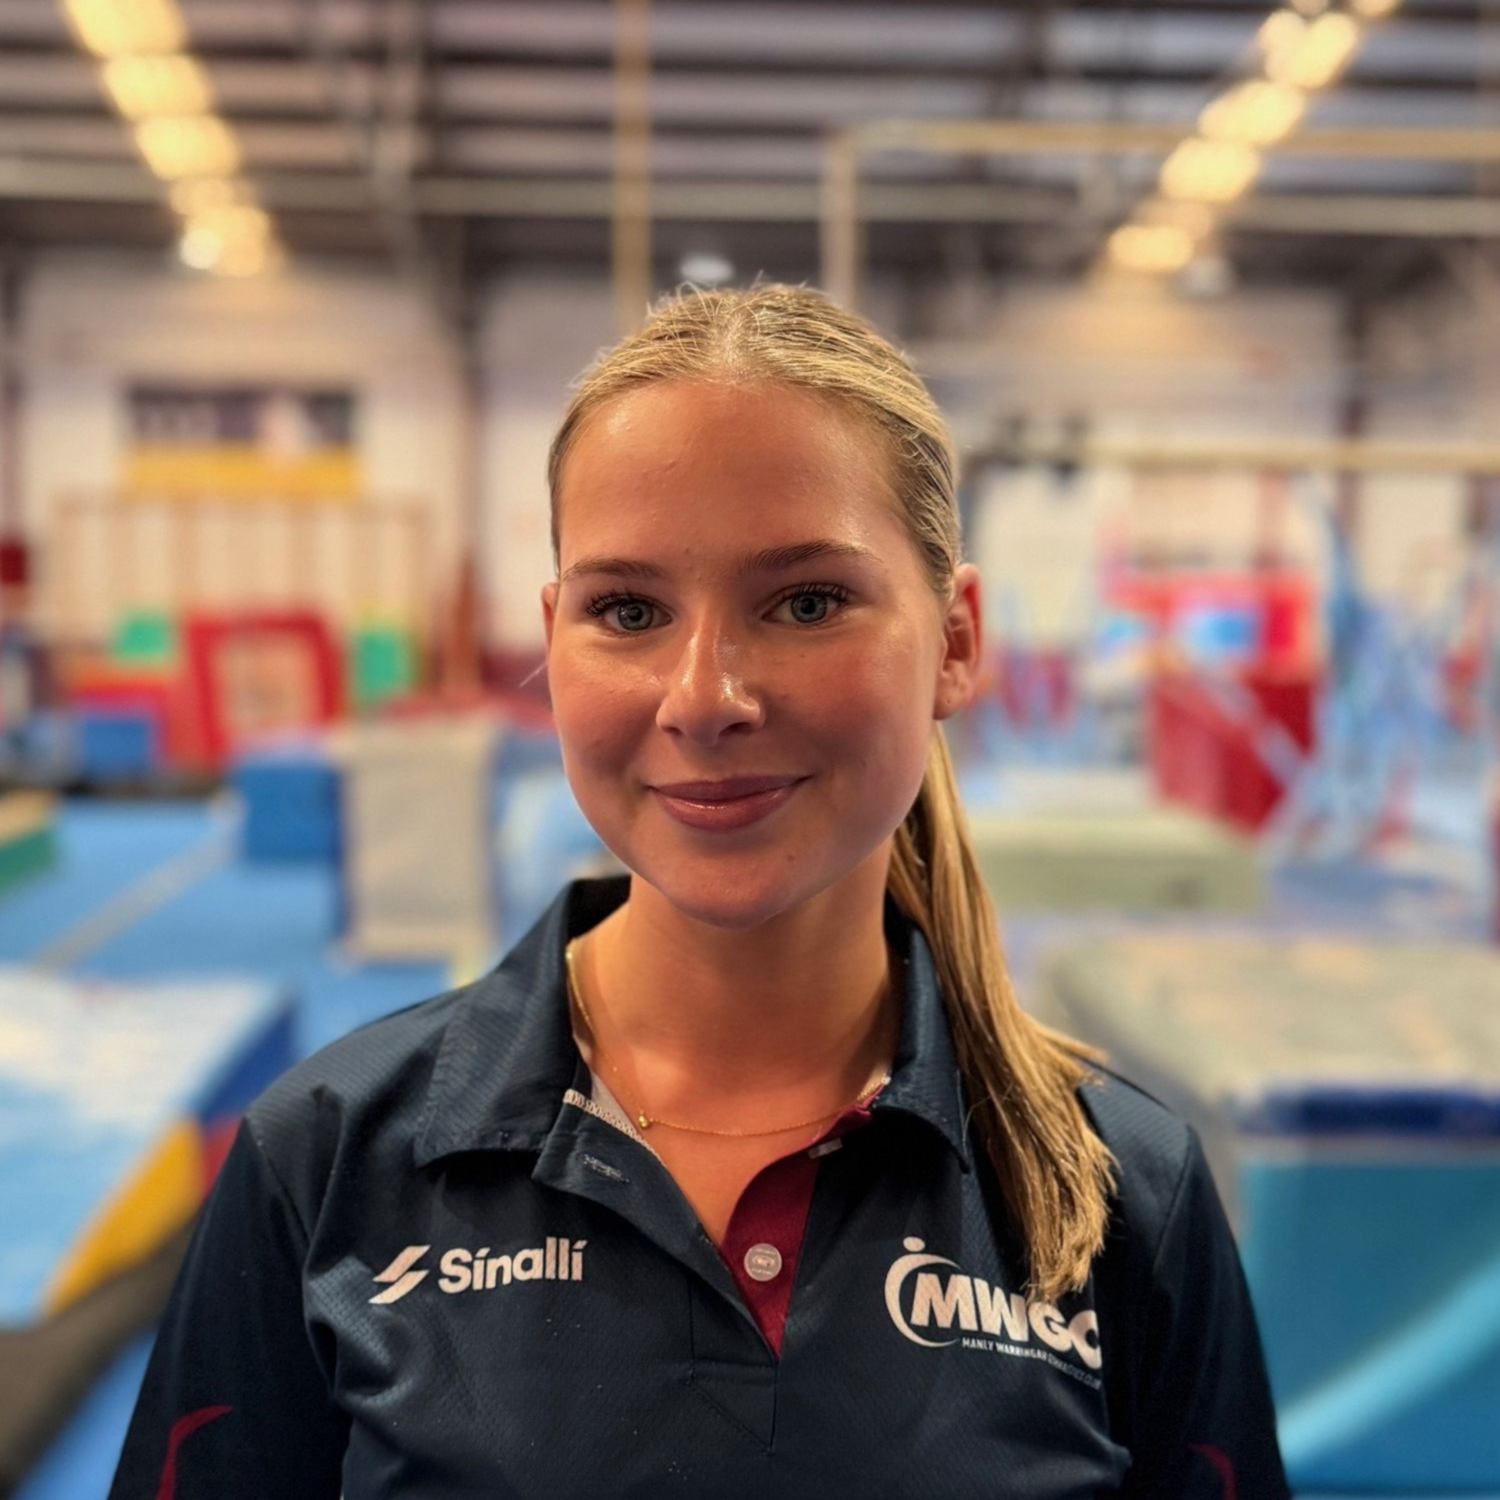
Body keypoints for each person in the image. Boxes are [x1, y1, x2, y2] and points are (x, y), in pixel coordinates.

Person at [109, 284, 1290, 1499]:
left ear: (953, 639)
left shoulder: (1118, 1194)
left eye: (808, 602)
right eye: (628, 611)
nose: (704, 696)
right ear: (554, 637)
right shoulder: (328, 1165)